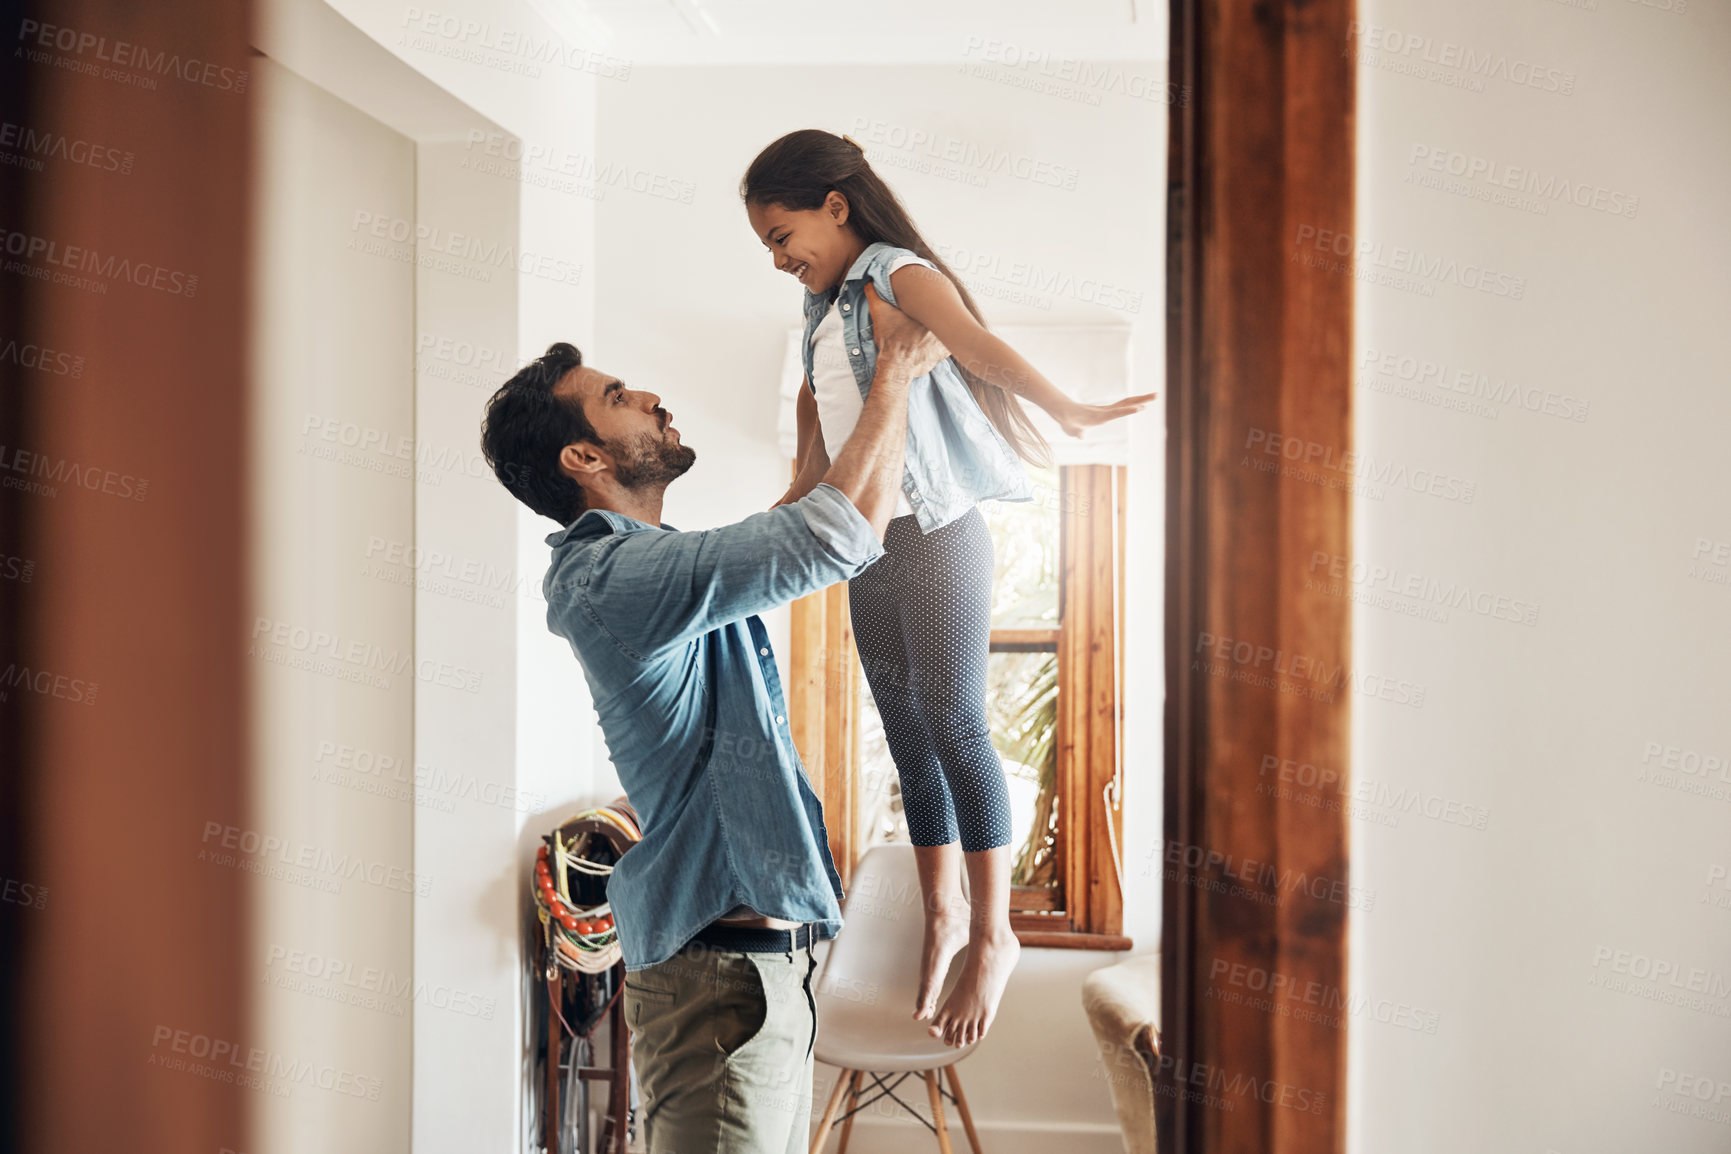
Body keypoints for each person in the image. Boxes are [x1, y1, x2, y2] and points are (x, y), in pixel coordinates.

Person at [479, 289, 946, 1154]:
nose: (653, 397)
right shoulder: (616, 577)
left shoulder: (647, 570)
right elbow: (828, 540)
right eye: (621, 397)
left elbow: (797, 528)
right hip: (725, 981)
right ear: (584, 455)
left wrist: (819, 416)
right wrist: (895, 377)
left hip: (745, 975)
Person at [744, 129, 1156, 1048]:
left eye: (783, 235)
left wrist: (1070, 406)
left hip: (935, 533)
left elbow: (974, 344)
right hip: (865, 545)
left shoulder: (896, 273)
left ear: (835, 207)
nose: (778, 258)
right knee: (905, 735)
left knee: (955, 721)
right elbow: (816, 434)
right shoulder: (816, 312)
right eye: (766, 245)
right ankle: (943, 916)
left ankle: (994, 928)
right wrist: (777, 519)